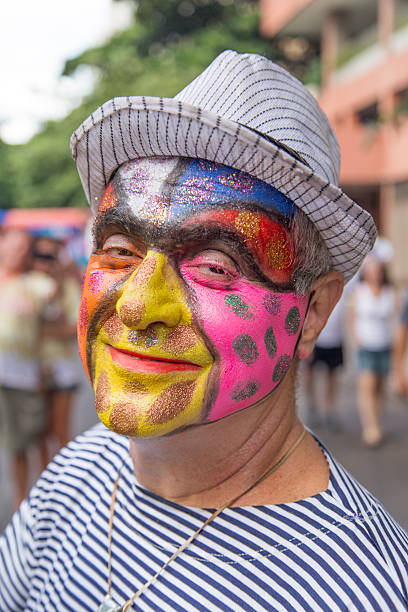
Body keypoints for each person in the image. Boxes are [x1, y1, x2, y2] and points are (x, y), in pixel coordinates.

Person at [0, 51, 407, 611]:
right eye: (119, 251)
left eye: (216, 266)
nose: (139, 305)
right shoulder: (79, 472)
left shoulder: (360, 589)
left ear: (312, 311)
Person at [0, 228, 55, 510]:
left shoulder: (36, 283)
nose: (17, 252)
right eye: (13, 245)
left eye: (24, 247)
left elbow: (59, 296)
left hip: (25, 377)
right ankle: (21, 502)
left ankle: (44, 503)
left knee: (35, 440)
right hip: (3, 378)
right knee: (14, 446)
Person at [32, 235, 82, 466]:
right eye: (38, 256)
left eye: (49, 257)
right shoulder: (26, 285)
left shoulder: (68, 287)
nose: (43, 263)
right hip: (32, 369)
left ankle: (65, 485)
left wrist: (41, 331)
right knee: (39, 433)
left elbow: (76, 328)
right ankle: (46, 486)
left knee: (60, 431)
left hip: (62, 368)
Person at [350, 255, 396, 447]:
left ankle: (376, 421)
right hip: (366, 346)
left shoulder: (390, 293)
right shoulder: (359, 292)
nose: (375, 274)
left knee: (379, 387)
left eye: (378, 270)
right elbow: (350, 318)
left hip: (384, 345)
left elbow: (397, 319)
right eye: (372, 270)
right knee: (367, 387)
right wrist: (355, 338)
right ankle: (370, 428)